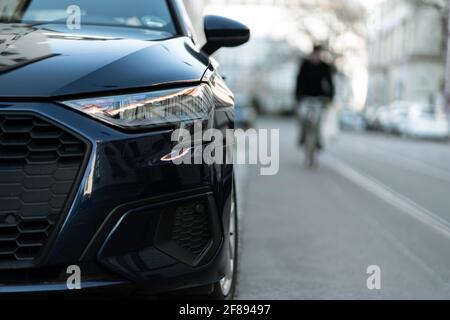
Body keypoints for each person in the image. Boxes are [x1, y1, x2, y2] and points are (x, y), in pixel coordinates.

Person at [295, 45, 335, 149]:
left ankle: (318, 139)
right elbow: (299, 81)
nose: (316, 56)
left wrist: (330, 97)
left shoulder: (325, 67)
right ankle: (302, 136)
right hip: (305, 97)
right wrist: (298, 96)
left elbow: (330, 83)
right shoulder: (305, 65)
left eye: (318, 54)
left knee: (321, 119)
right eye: (314, 54)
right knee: (302, 116)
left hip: (320, 98)